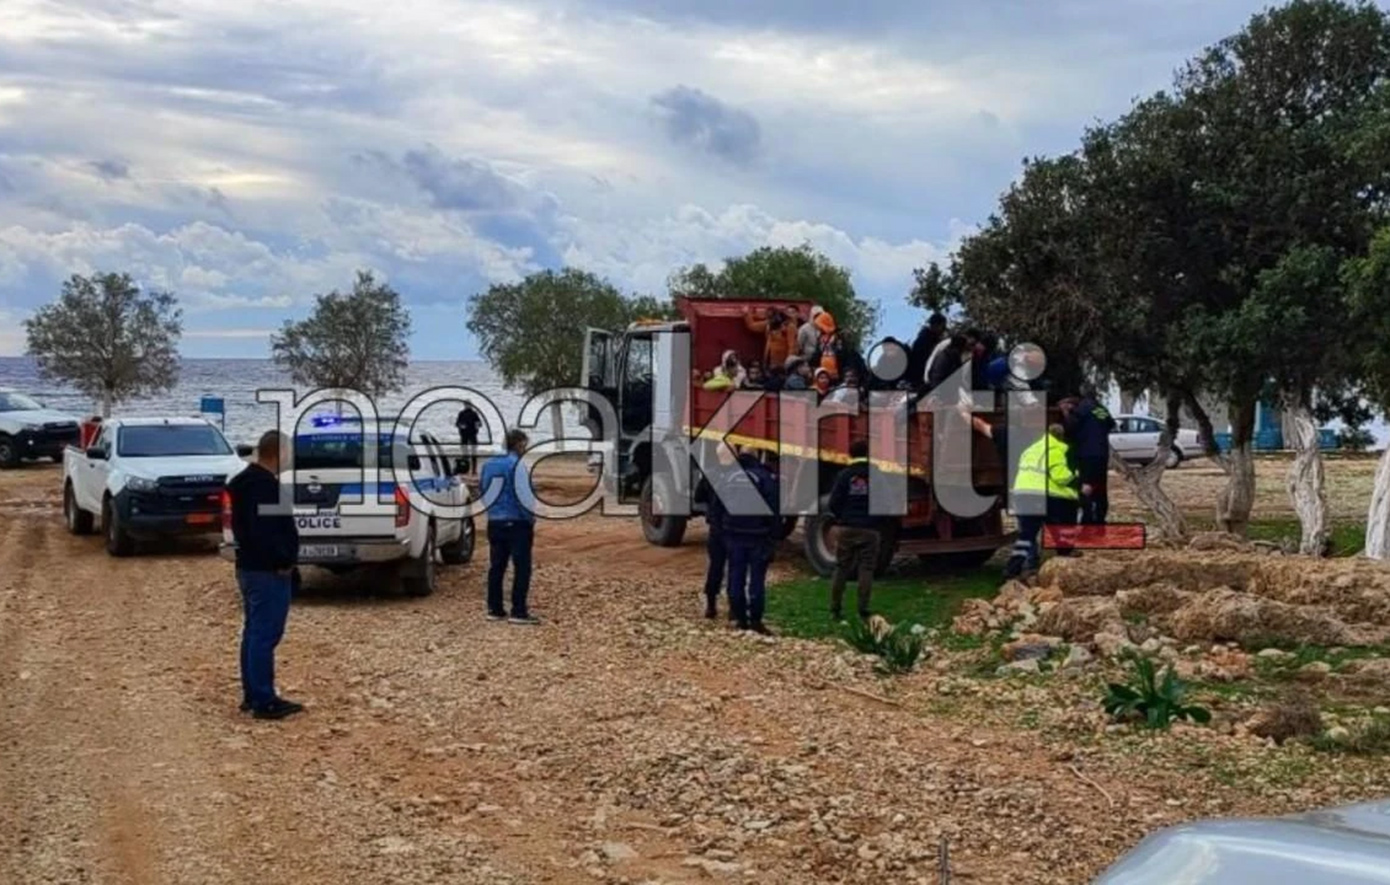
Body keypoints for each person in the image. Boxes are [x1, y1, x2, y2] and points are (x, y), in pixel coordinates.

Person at [226, 430, 304, 720]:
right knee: (265, 633)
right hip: (267, 571)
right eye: (288, 452)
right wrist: (283, 560)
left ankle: (253, 693)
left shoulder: (243, 482)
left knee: (254, 631)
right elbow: (267, 530)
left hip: (248, 566)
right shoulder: (265, 486)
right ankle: (263, 699)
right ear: (279, 452)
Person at [1003, 422, 1079, 579]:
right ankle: (1064, 558)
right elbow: (1061, 477)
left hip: (1021, 493)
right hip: (1041, 495)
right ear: (1061, 437)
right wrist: (1077, 478)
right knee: (1060, 526)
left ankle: (1013, 570)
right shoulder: (1056, 449)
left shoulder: (1031, 449)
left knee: (1026, 535)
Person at [480, 429, 540, 624]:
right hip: (516, 521)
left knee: (497, 566)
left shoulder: (488, 465)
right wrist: (530, 517)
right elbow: (523, 495)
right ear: (520, 444)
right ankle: (518, 611)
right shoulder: (517, 465)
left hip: (495, 520)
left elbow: (483, 490)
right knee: (522, 567)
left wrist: (492, 512)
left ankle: (494, 608)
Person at [718, 447, 779, 634]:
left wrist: (723, 532)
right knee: (757, 580)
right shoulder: (764, 478)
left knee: (736, 577)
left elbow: (717, 507)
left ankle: (740, 618)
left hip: (734, 535)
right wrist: (774, 537)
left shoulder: (728, 477)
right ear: (757, 456)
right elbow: (774, 509)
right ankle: (756, 621)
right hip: (758, 536)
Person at [826, 439, 881, 623]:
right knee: (866, 569)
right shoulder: (876, 474)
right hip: (869, 529)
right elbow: (886, 501)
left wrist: (842, 518)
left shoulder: (844, 475)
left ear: (850, 454)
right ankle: (863, 609)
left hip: (847, 528)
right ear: (868, 453)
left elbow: (833, 503)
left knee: (841, 568)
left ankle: (835, 609)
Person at [1063, 386, 1117, 525]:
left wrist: (1066, 413)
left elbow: (1069, 429)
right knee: (1100, 487)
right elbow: (1111, 424)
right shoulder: (1101, 408)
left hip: (1087, 454)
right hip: (1102, 454)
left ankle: (1087, 519)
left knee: (1086, 487)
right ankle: (1100, 518)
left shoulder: (1082, 408)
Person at [693, 452, 729, 620]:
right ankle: (734, 608)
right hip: (734, 528)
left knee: (715, 567)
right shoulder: (740, 475)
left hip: (716, 527)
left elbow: (697, 497)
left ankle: (711, 605)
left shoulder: (711, 474)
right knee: (736, 567)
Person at [744, 305, 798, 369]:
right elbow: (752, 326)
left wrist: (789, 361)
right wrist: (747, 314)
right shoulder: (769, 324)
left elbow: (792, 346)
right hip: (770, 359)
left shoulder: (789, 327)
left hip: (783, 361)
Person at [908, 312, 947, 386]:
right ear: (935, 325)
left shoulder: (931, 338)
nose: (943, 330)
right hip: (921, 378)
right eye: (943, 327)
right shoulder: (925, 340)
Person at [455, 401, 483, 475]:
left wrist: (477, 425)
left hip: (472, 434)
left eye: (469, 405)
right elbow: (457, 423)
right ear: (464, 405)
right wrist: (461, 425)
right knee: (464, 454)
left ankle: (474, 470)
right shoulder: (461, 413)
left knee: (474, 453)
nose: (467, 406)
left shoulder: (474, 414)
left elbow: (480, 423)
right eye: (466, 405)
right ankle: (465, 470)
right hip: (464, 434)